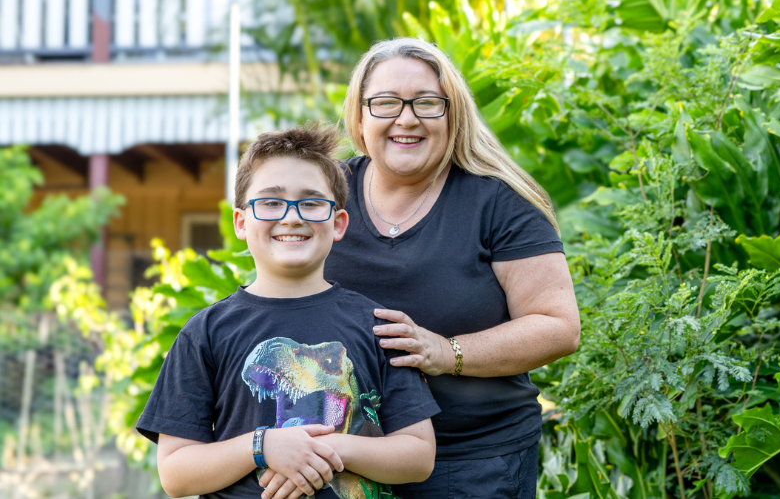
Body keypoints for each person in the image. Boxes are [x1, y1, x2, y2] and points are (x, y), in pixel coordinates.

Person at [264, 37, 581, 499]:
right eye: (386, 103)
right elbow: (274, 285)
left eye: (427, 103)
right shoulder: (323, 193)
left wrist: (445, 351)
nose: (406, 118)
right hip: (341, 460)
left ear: (452, 116)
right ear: (358, 116)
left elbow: (558, 327)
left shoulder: (499, 203)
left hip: (471, 463)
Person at [135, 123, 440, 499]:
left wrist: (317, 451)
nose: (292, 217)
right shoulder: (205, 332)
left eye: (312, 202)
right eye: (271, 202)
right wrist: (264, 447)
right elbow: (176, 472)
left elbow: (419, 455)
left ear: (338, 223)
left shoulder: (378, 325)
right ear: (241, 223)